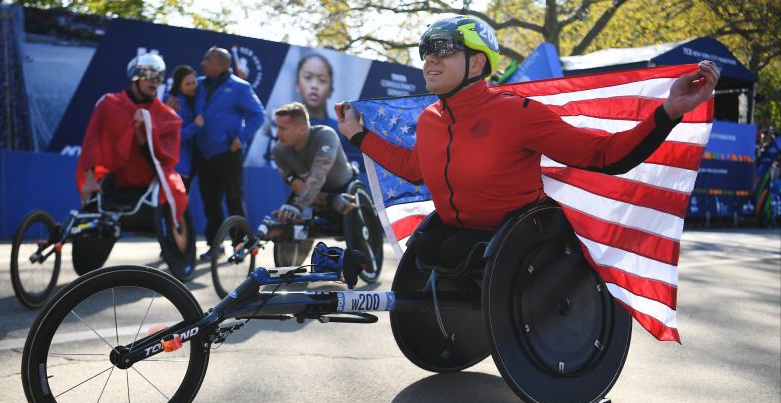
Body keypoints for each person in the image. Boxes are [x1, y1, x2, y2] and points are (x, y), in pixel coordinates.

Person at [336, 15, 719, 267]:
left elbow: (605, 157)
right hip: (456, 236)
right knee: (427, 251)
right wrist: (359, 134)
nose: (429, 62)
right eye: (425, 53)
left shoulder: (517, 113)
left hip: (521, 244)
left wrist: (668, 110)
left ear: (476, 64)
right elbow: (414, 171)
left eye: (442, 52)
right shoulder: (430, 120)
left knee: (449, 251)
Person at [76, 53, 187, 221]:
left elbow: (166, 160)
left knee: (175, 188)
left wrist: (146, 129)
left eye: (159, 75)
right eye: (149, 74)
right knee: (84, 223)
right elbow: (93, 140)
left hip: (148, 182)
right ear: (136, 75)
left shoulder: (168, 116)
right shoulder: (109, 104)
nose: (155, 80)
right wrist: (90, 178)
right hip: (115, 178)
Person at [195, 46, 266, 260]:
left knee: (234, 199)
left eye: (208, 59)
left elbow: (258, 115)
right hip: (204, 154)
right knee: (210, 202)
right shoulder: (198, 84)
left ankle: (241, 244)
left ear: (223, 64)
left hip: (228, 153)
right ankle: (214, 246)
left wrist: (240, 139)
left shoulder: (239, 87)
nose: (203, 63)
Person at [271, 102, 356, 223]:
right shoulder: (278, 151)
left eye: (282, 129)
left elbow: (318, 175)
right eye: (276, 127)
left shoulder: (326, 135)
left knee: (298, 205)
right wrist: (329, 199)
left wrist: (299, 206)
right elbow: (298, 185)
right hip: (313, 194)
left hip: (345, 187)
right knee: (286, 219)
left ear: (302, 129)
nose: (277, 134)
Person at [295, 53, 364, 170]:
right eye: (308, 77)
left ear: (331, 90)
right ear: (297, 85)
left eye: (322, 80)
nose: (314, 85)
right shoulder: (285, 127)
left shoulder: (342, 130)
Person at [164, 64, 204, 189]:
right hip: (175, 166)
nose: (192, 87)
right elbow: (173, 136)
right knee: (174, 206)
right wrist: (195, 126)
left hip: (188, 165)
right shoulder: (171, 102)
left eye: (194, 82)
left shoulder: (190, 100)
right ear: (178, 85)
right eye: (188, 84)